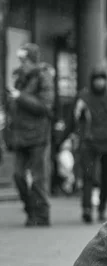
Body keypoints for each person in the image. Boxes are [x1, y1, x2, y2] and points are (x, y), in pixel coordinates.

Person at [4, 43, 55, 227]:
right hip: (19, 136)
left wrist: (20, 97)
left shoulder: (44, 76)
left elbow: (45, 106)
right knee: (18, 176)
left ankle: (41, 215)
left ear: (32, 60)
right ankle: (30, 210)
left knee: (38, 178)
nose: (21, 63)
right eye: (20, 60)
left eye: (24, 59)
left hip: (38, 136)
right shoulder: (19, 78)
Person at [74, 65, 107, 223]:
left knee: (106, 177)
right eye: (96, 80)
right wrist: (75, 138)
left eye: (102, 80)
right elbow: (76, 120)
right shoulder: (83, 97)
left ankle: (103, 206)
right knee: (88, 176)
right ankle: (87, 208)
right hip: (89, 141)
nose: (99, 83)